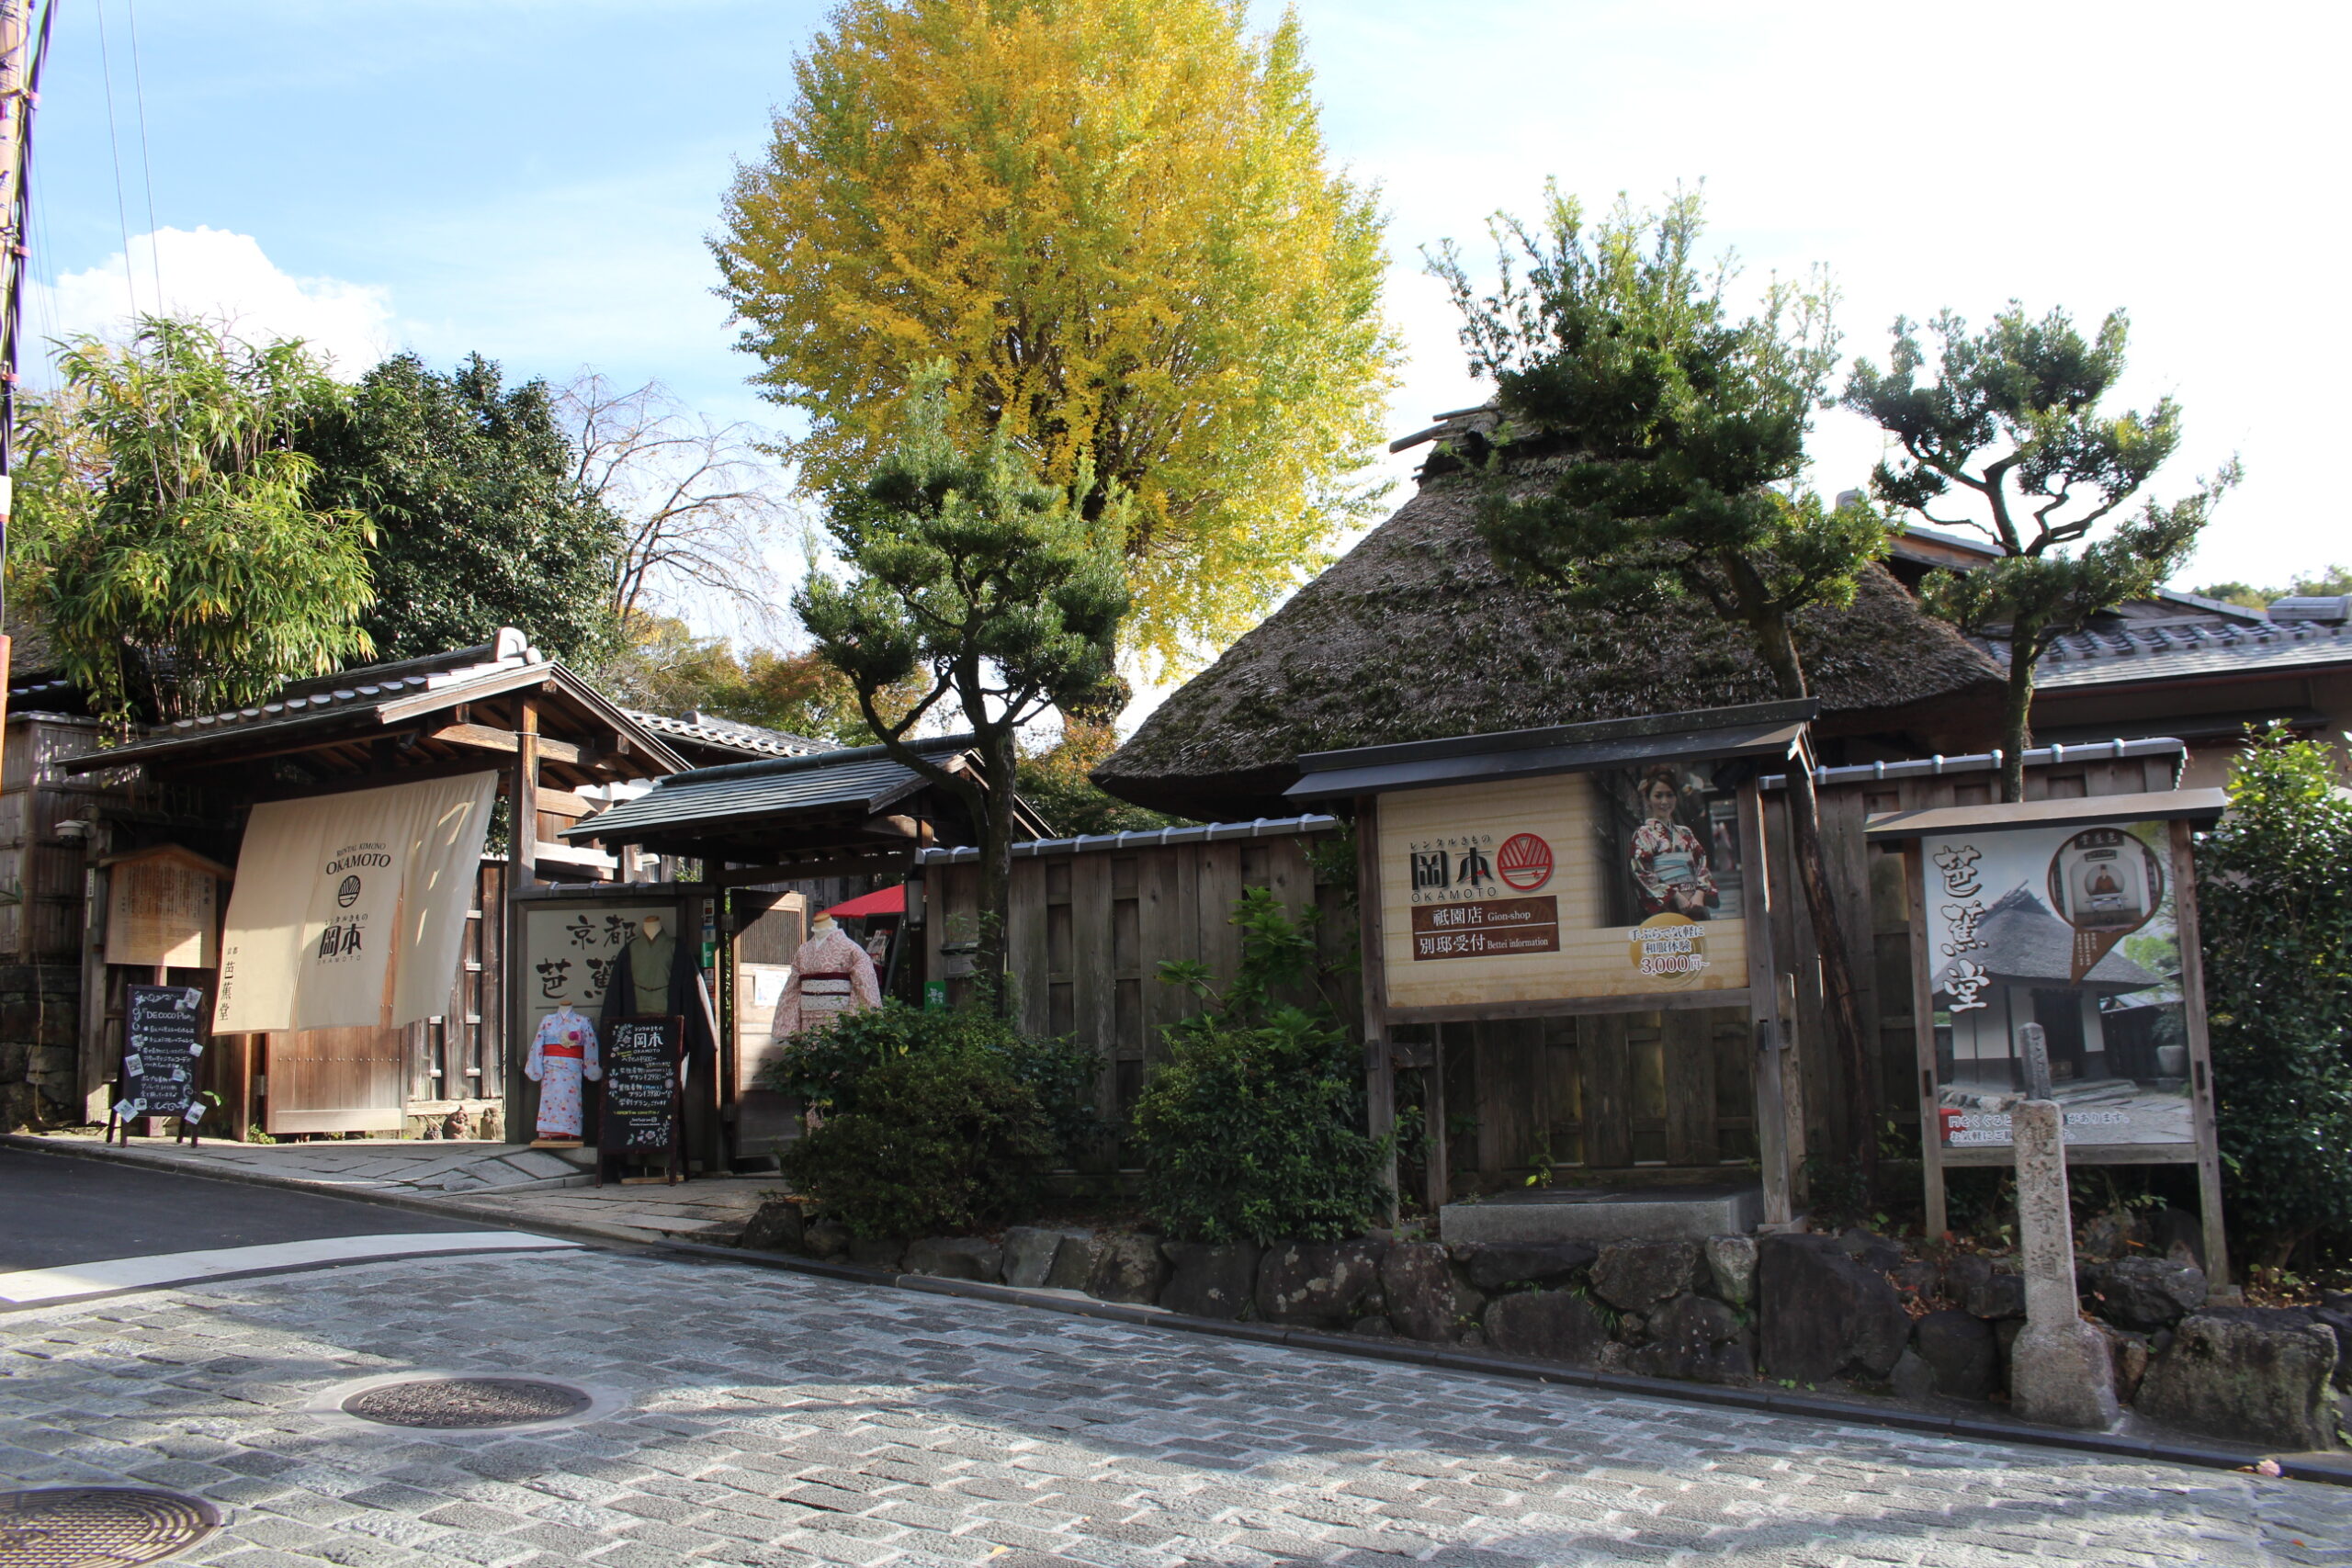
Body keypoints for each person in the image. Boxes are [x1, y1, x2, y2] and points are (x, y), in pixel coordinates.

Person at [1629, 766, 1717, 919]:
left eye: (1670, 795)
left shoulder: (1685, 833)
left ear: (1676, 797)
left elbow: (1702, 863)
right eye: (1658, 796)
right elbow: (1641, 872)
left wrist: (1700, 894)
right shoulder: (1643, 834)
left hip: (1694, 905)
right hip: (1666, 908)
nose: (1664, 801)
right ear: (1648, 799)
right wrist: (1674, 896)